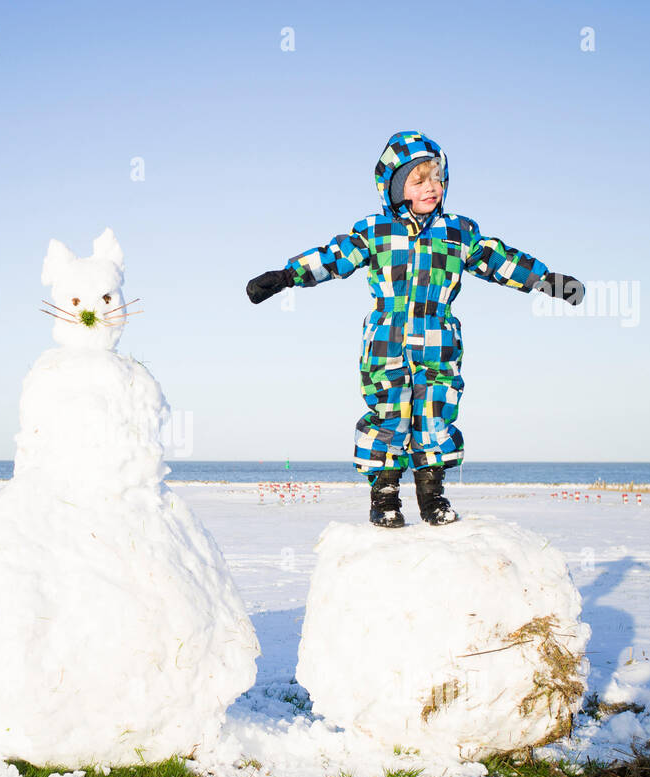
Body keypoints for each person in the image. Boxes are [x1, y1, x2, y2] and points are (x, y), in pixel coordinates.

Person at [246, 130, 583, 527]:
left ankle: (431, 494)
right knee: (389, 413)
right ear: (393, 187)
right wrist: (287, 275)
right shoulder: (375, 231)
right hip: (386, 342)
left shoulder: (458, 232)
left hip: (439, 343)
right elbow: (333, 257)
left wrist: (547, 281)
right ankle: (385, 495)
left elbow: (499, 260)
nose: (432, 187)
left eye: (437, 178)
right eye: (419, 179)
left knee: (435, 413)